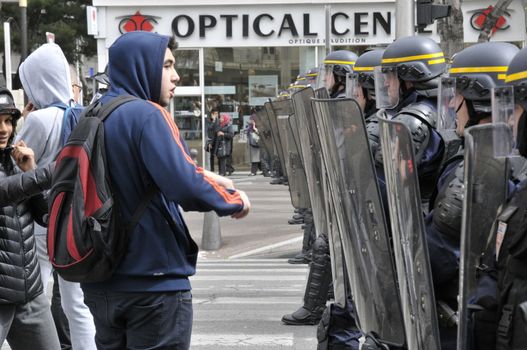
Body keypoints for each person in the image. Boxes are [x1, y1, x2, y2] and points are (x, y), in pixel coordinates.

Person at [80, 31, 250, 349]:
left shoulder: (91, 115)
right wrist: (233, 200)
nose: (177, 76)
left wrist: (211, 177)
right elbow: (183, 185)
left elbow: (134, 172)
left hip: (102, 281)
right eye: (167, 66)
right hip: (152, 281)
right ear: (141, 67)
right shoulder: (148, 115)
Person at [427, 42, 519, 349]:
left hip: (468, 318)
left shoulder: (482, 169)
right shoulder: (497, 157)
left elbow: (434, 256)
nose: (451, 104)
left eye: (458, 96)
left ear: (481, 101)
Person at [16, 42, 97, 350]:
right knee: (77, 302)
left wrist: (22, 122)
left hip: (40, 220)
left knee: (35, 298)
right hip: (74, 219)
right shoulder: (82, 114)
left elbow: (17, 160)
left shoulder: (39, 119)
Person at [0, 88, 61, 350]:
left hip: (29, 290)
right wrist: (52, 172)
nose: (3, 129)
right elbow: (6, 191)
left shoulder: (15, 160)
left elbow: (45, 216)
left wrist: (31, 169)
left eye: (7, 121)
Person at [246, 110, 261, 176]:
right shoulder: (250, 127)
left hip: (257, 145)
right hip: (252, 145)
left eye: (252, 120)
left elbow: (261, 135)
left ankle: (253, 171)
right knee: (256, 159)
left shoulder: (258, 126)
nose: (251, 121)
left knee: (255, 159)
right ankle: (264, 170)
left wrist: (255, 129)